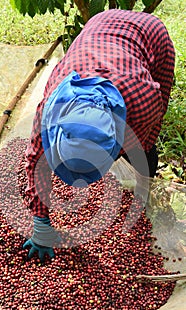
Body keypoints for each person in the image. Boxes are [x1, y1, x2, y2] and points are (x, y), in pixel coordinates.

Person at [22, 9, 175, 262]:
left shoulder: (143, 105)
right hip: (98, 27)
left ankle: (144, 194)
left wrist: (127, 150)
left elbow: (150, 127)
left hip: (151, 36)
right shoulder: (48, 114)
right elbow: (35, 165)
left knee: (147, 147)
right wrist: (41, 225)